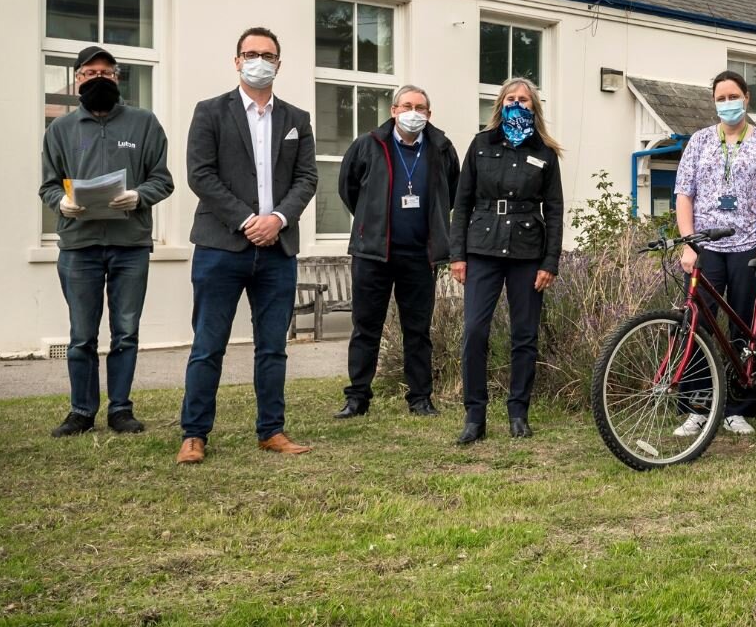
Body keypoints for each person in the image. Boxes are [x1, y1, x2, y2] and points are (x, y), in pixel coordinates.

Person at [176, 27, 318, 464]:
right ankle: (195, 434)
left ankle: (271, 430)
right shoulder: (210, 112)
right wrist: (245, 220)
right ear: (236, 61)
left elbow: (307, 179)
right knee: (208, 345)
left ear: (279, 63)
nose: (259, 60)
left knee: (273, 346)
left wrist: (276, 219)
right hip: (221, 247)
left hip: (277, 250)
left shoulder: (297, 119)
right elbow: (200, 175)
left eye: (268, 54)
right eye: (251, 53)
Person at [38, 46, 175, 437]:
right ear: (77, 79)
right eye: (89, 72)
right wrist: (60, 202)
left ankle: (120, 409)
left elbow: (162, 179)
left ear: (117, 79)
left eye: (107, 72)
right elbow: (47, 185)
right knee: (81, 335)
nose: (98, 77)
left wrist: (139, 196)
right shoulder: (60, 130)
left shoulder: (144, 124)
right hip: (78, 247)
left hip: (129, 245)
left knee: (126, 332)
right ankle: (81, 411)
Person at [447, 77, 564, 444]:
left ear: (534, 107)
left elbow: (556, 210)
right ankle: (474, 416)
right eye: (511, 98)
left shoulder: (544, 152)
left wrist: (550, 262)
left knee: (524, 335)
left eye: (525, 100)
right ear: (500, 104)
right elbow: (462, 203)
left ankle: (518, 412)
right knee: (474, 332)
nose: (518, 103)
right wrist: (457, 255)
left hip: (528, 252)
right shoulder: (482, 144)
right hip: (482, 248)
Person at [670, 70, 756, 439]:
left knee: (742, 326)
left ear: (747, 98)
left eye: (733, 96)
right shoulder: (700, 141)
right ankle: (696, 407)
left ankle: (739, 408)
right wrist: (688, 242)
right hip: (706, 246)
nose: (727, 103)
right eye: (720, 98)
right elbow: (683, 195)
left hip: (747, 245)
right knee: (697, 325)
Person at [334, 85, 460, 419]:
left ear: (429, 114)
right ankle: (358, 397)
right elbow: (348, 188)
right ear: (393, 110)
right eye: (407, 105)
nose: (413, 112)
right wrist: (369, 222)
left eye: (421, 107)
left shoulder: (442, 148)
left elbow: (453, 190)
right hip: (373, 253)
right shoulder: (368, 145)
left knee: (417, 331)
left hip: (420, 256)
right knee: (365, 327)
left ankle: (420, 398)